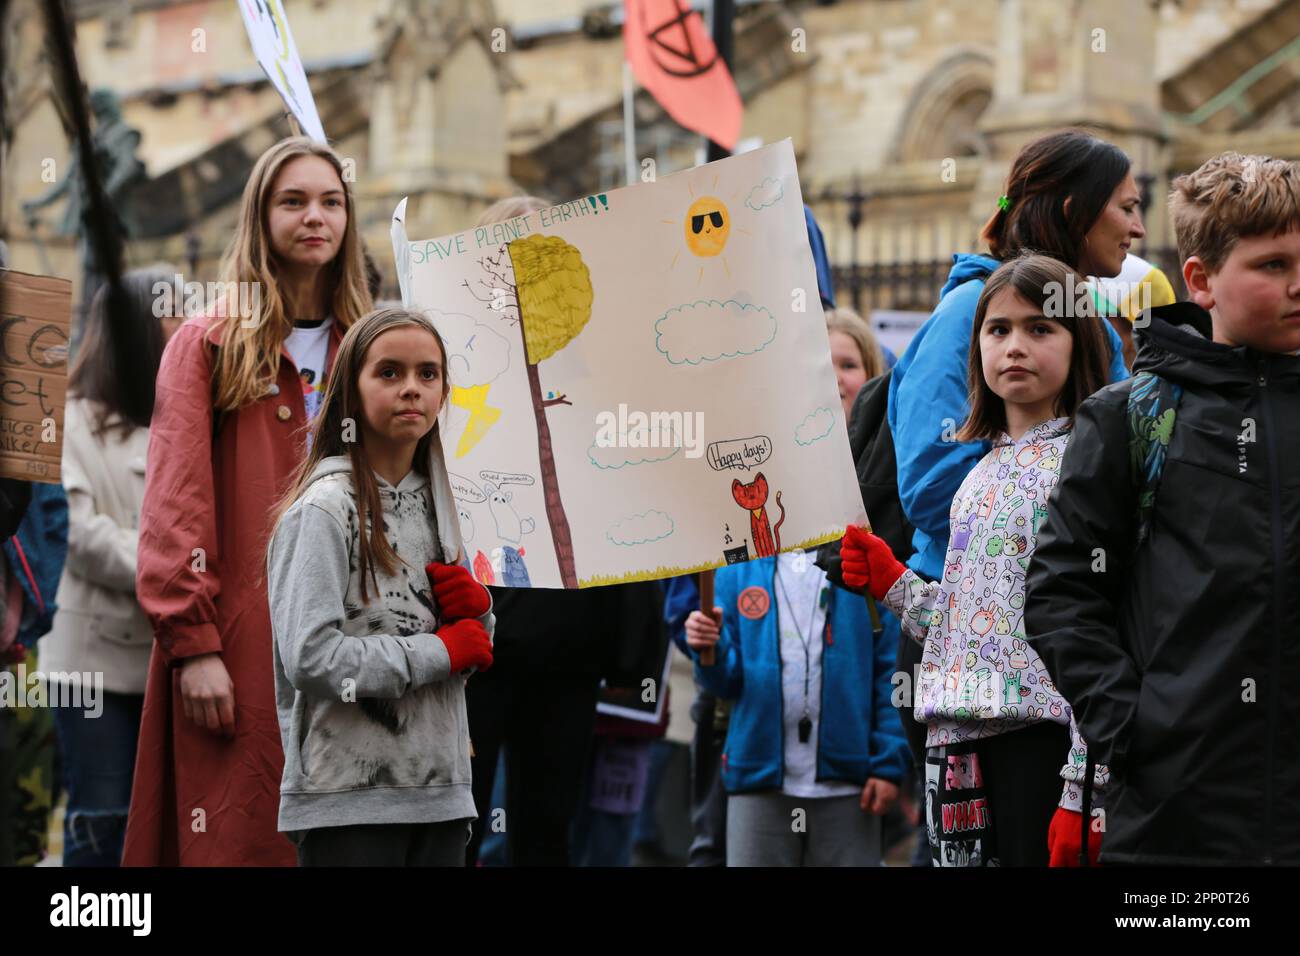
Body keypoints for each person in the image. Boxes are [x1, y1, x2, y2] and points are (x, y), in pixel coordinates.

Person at [1026, 152, 1300, 865]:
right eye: (1273, 266)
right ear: (1202, 281)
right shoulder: (1133, 415)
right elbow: (1061, 592)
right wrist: (1136, 733)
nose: (1299, 284)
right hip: (1175, 825)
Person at [123, 136, 373, 866]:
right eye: (292, 201)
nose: (314, 217)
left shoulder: (374, 347)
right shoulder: (208, 344)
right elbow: (174, 504)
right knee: (241, 839)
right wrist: (193, 644)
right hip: (242, 641)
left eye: (331, 201)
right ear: (259, 216)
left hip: (364, 637)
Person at [842, 254, 1112, 866]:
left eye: (1040, 328)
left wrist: (1084, 786)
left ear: (1080, 343)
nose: (1015, 345)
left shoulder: (1090, 464)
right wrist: (895, 583)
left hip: (1039, 745)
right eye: (999, 329)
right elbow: (970, 626)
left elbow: (1107, 632)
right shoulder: (977, 473)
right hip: (956, 747)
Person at [266, 308, 493, 866]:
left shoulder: (452, 513)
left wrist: (481, 617)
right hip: (347, 800)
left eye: (428, 374)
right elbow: (312, 657)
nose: (411, 388)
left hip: (441, 794)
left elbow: (463, 650)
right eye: (389, 373)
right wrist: (439, 650)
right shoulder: (322, 510)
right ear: (351, 391)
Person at [38, 268, 177, 866]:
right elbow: (73, 531)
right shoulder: (68, 420)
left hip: (168, 653)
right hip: (92, 662)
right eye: (174, 314)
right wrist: (171, 568)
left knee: (165, 818)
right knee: (102, 817)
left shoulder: (184, 420)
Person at [682, 552, 910, 867]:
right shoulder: (737, 570)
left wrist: (888, 763)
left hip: (850, 785)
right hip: (757, 779)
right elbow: (724, 683)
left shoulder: (859, 559)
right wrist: (708, 647)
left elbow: (891, 672)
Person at [826, 307, 885, 425]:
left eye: (848, 366)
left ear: (870, 374)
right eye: (825, 367)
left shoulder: (894, 441)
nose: (835, 379)